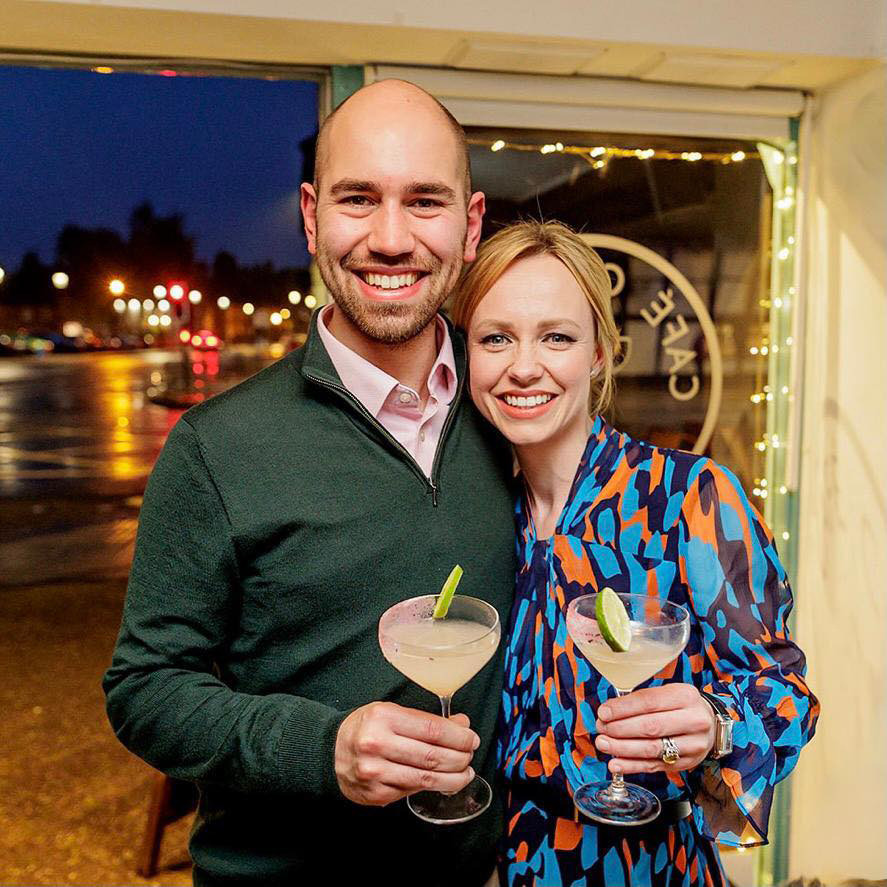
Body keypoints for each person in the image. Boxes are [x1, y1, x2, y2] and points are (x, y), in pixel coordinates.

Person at [103, 79, 517, 886]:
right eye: (357, 198)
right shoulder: (215, 448)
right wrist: (320, 748)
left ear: (470, 225)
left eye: (425, 201)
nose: (391, 238)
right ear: (310, 216)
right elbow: (144, 689)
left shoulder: (512, 410)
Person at [451, 221, 820, 887]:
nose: (523, 365)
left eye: (556, 336)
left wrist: (715, 723)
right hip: (496, 863)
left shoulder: (685, 496)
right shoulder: (474, 513)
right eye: (495, 337)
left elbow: (785, 694)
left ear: (597, 352)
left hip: (643, 867)